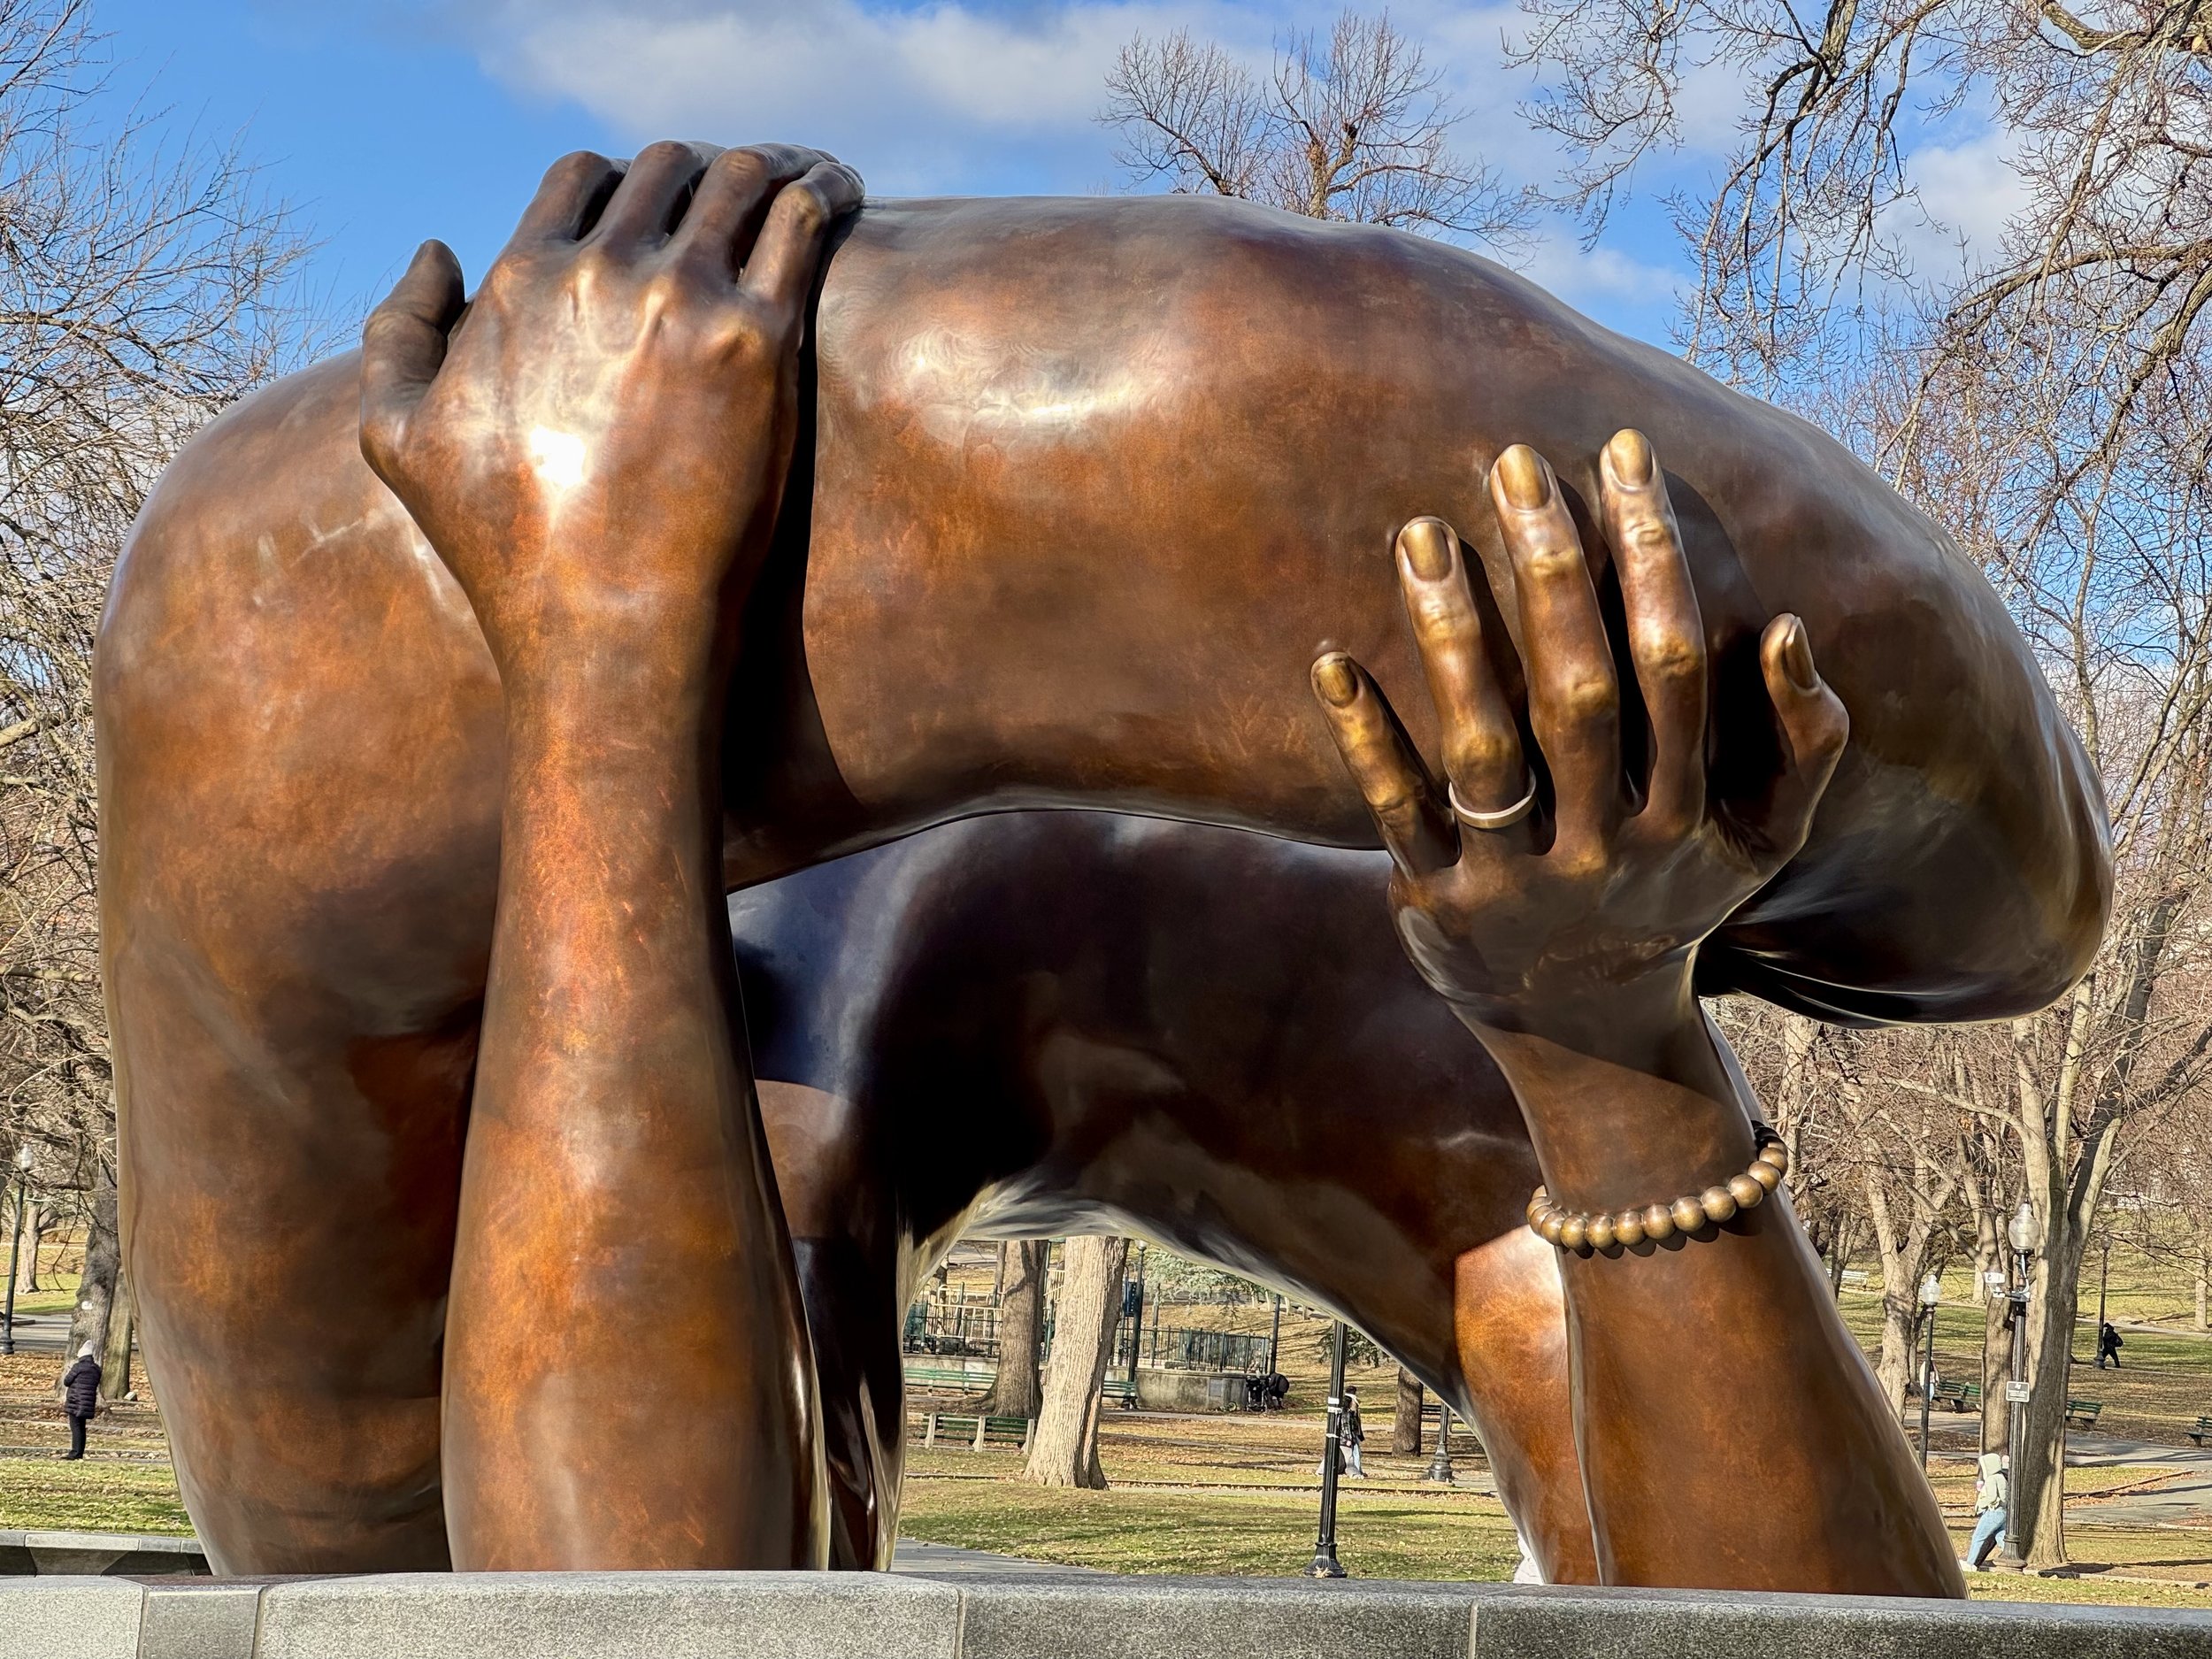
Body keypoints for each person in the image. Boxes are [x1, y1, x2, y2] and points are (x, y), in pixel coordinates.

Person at [1967, 1452, 2008, 1570]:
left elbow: (1992, 1497)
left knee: (1978, 1537)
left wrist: (1981, 1505)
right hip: (2002, 1512)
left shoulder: (1991, 1479)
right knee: (2001, 1537)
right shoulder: (2001, 1477)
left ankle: (1970, 1563)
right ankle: (2010, 1557)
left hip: (1992, 1512)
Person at [60, 1340, 100, 1460]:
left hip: (75, 1401)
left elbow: (67, 1381)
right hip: (88, 1402)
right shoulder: (96, 1369)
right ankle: (79, 1451)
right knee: (82, 1428)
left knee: (76, 1427)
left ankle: (75, 1453)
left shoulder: (78, 1367)